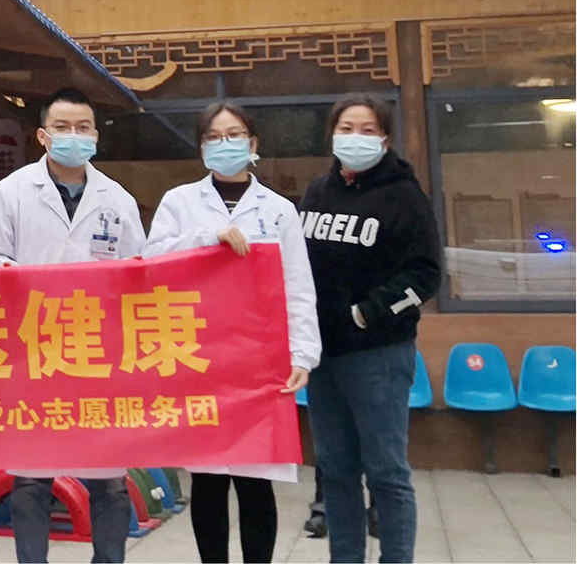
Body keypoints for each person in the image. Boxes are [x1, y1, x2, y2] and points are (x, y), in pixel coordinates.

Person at [142, 101, 320, 564]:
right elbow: (152, 264)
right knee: (208, 479)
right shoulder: (179, 202)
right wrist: (207, 240)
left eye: (234, 135)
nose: (225, 144)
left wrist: (303, 354)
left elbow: (298, 285)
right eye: (214, 137)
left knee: (256, 479)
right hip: (200, 356)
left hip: (260, 360)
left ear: (253, 143)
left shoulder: (279, 210)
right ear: (201, 147)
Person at [0, 87, 146, 564]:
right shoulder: (11, 192)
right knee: (32, 477)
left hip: (98, 353)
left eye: (83, 128)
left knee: (109, 479)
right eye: (63, 128)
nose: (74, 136)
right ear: (42, 135)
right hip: (34, 349)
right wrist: (3, 270)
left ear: (96, 135)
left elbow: (142, 270)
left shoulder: (118, 198)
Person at [299, 94, 438, 564]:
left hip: (379, 355)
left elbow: (426, 275)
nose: (354, 138)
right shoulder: (318, 192)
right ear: (332, 134)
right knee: (336, 471)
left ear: (385, 138)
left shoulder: (405, 197)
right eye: (346, 129)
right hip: (324, 357)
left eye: (367, 130)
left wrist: (366, 313)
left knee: (386, 473)